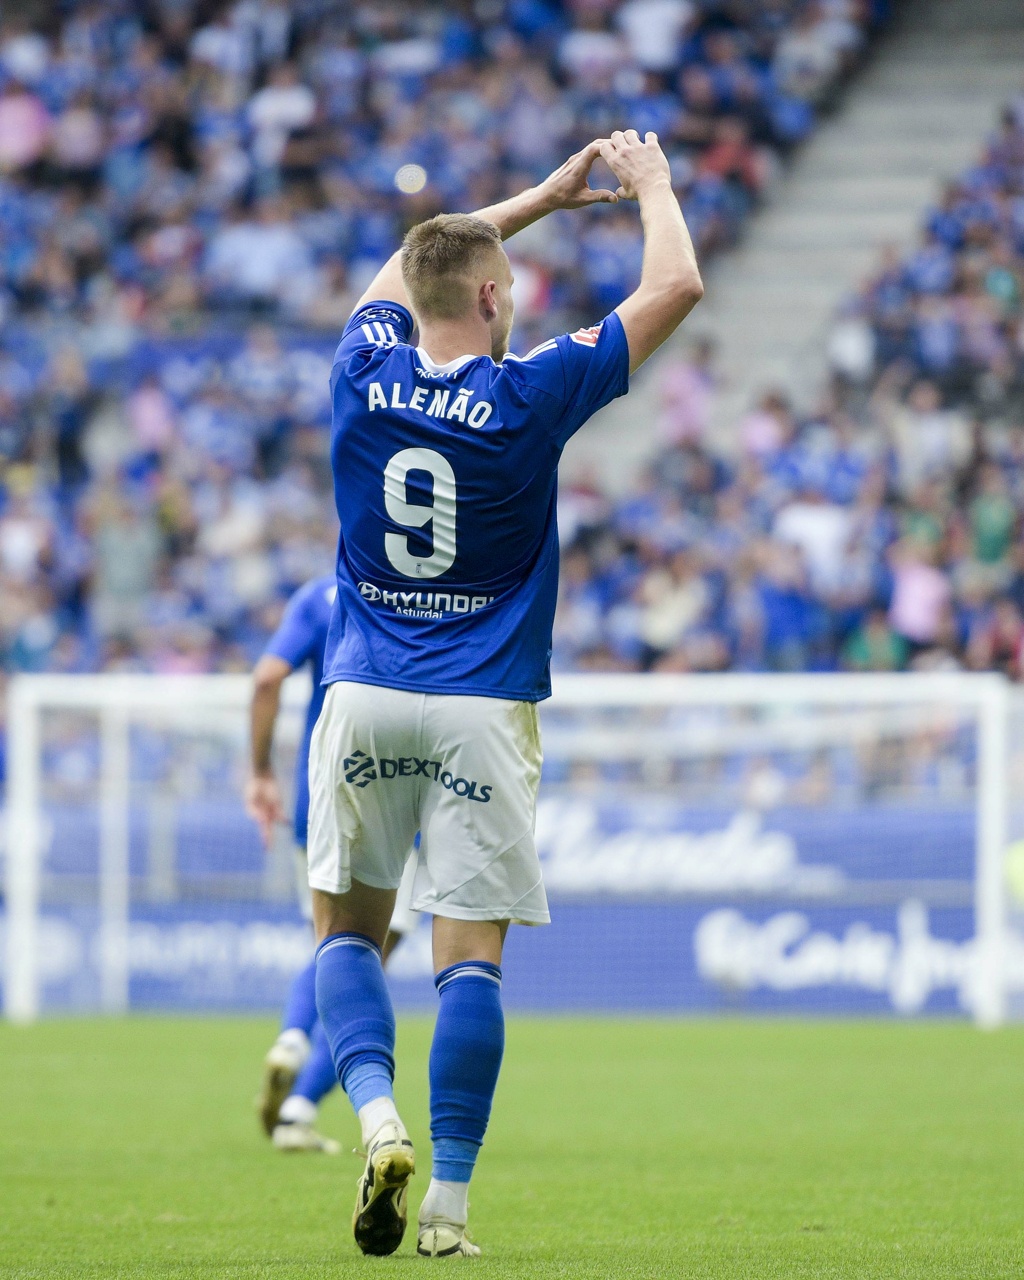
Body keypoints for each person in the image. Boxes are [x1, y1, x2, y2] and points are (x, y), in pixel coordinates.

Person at [307, 130, 703, 1257]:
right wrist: (650, 185)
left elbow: (408, 265)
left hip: (365, 692)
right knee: (467, 955)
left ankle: (376, 1121)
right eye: (510, 289)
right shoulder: (531, 392)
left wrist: (534, 199)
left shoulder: (360, 365)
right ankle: (449, 1205)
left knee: (347, 932)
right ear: (490, 297)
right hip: (482, 706)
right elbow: (674, 282)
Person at [245, 574, 420, 1153]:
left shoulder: (317, 597)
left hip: (316, 797)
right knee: (363, 961)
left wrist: (260, 770)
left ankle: (292, 1041)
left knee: (333, 944)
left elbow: (268, 675)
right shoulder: (425, 596)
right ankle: (298, 1107)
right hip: (399, 795)